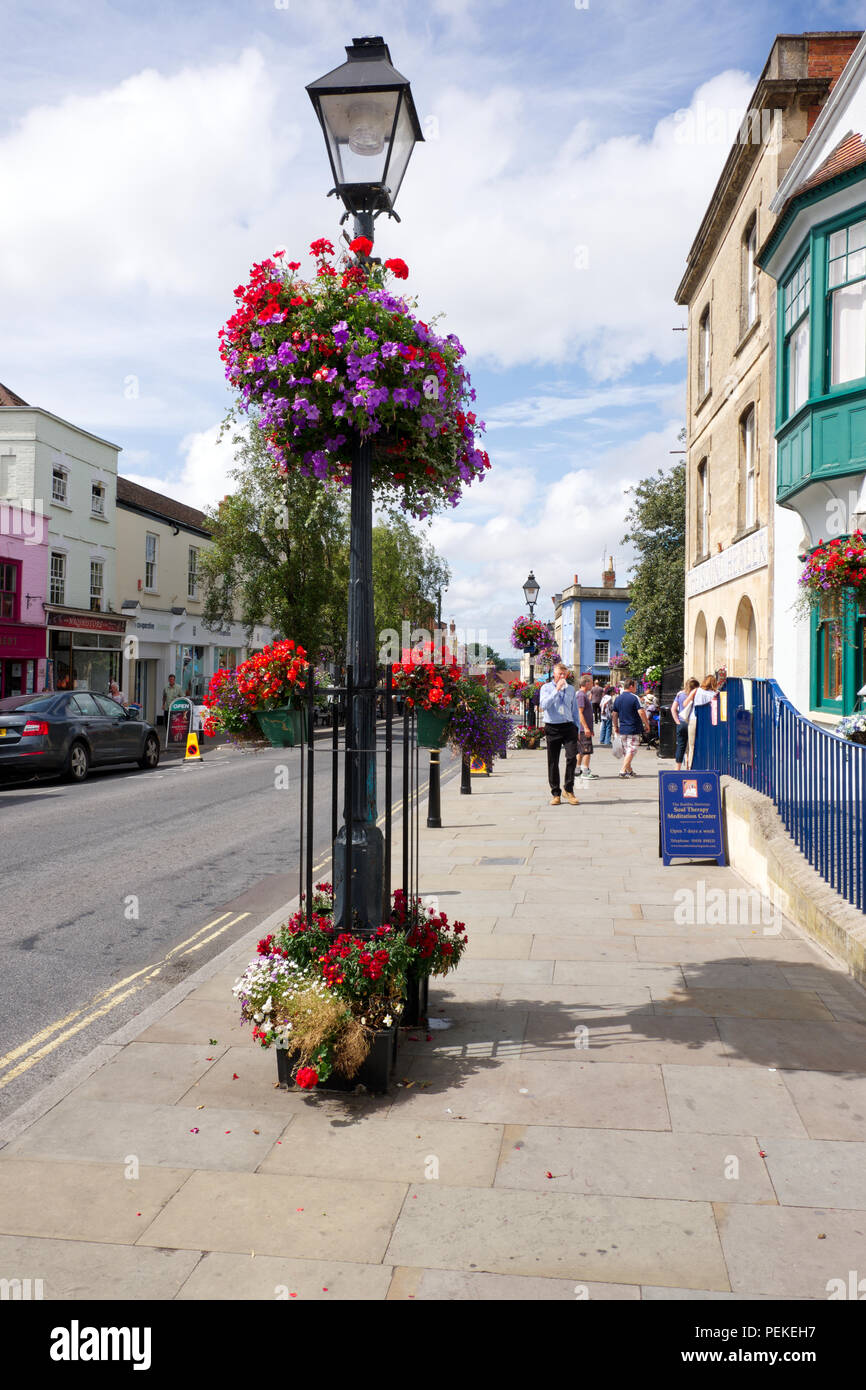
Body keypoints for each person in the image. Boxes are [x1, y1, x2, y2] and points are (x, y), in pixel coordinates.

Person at [538, 660, 582, 806]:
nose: (562, 676)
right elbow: (544, 705)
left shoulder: (571, 690)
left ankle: (568, 789)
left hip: (568, 727)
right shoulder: (546, 688)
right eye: (559, 674)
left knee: (572, 757)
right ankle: (555, 793)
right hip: (552, 727)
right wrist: (556, 690)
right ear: (554, 675)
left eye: (564, 673)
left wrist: (578, 728)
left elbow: (575, 710)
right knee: (553, 761)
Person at [612, 677, 649, 778]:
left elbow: (614, 714)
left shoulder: (618, 698)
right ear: (631, 686)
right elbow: (641, 712)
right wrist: (646, 724)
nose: (636, 688)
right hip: (633, 728)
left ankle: (629, 770)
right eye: (636, 686)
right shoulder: (634, 697)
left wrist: (615, 726)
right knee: (631, 750)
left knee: (627, 751)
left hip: (623, 728)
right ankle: (623, 770)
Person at [687, 675, 717, 768]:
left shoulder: (696, 690)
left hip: (694, 719)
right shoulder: (715, 694)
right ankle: (706, 765)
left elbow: (685, 703)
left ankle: (691, 767)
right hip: (707, 722)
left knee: (692, 745)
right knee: (707, 744)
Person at [671, 678, 699, 770]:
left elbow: (673, 709)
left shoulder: (680, 695)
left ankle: (677, 768)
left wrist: (677, 721)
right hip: (693, 722)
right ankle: (689, 766)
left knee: (681, 745)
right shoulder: (697, 695)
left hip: (682, 722)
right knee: (692, 745)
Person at [576, 673, 598, 779]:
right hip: (583, 729)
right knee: (586, 750)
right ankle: (585, 771)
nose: (592, 685)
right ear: (587, 683)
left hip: (583, 729)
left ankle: (577, 770)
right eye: (591, 683)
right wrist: (586, 727)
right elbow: (580, 712)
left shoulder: (583, 695)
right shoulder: (581, 695)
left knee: (581, 750)